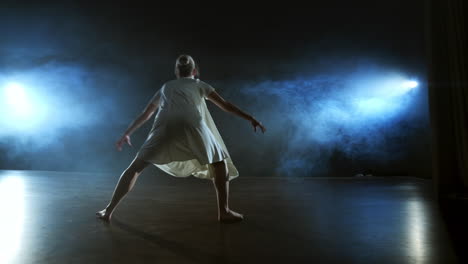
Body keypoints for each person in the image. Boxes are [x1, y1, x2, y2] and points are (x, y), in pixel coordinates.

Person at [96, 55, 266, 223]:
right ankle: (224, 211)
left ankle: (108, 210)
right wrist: (250, 118)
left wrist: (127, 133)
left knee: (134, 169)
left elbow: (146, 114)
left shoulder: (166, 87)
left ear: (176, 72)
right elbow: (225, 105)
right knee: (219, 164)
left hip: (165, 124)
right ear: (195, 71)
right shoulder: (200, 84)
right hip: (192, 122)